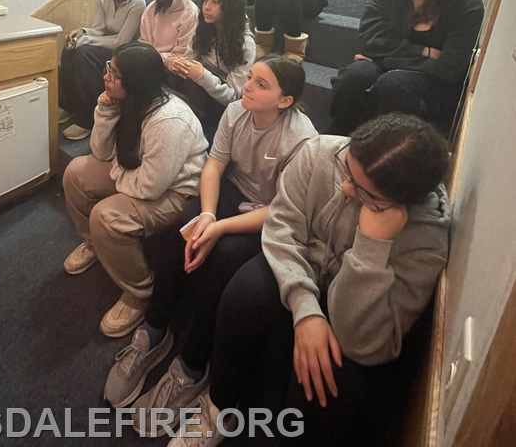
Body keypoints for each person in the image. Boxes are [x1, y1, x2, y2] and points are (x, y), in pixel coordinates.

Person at [169, 114, 451, 447]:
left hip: (353, 309)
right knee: (245, 291)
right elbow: (281, 227)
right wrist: (306, 310)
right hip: (302, 270)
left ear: (401, 204)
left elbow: (363, 341)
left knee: (333, 383)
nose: (345, 188)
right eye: (347, 168)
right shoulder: (320, 153)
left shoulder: (426, 240)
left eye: (365, 194)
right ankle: (218, 405)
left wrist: (371, 248)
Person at [103, 56, 317, 427]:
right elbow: (215, 165)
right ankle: (153, 333)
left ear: (285, 101)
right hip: (236, 191)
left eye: (261, 84)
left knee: (224, 258)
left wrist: (220, 228)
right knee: (180, 230)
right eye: (249, 77)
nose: (247, 86)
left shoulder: (301, 139)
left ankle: (191, 367)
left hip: (273, 214)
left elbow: (283, 209)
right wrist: (206, 215)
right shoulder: (236, 112)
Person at [61, 42, 208, 338]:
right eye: (109, 70)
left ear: (136, 81)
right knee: (76, 173)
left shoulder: (169, 120)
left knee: (106, 216)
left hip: (177, 193)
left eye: (114, 74)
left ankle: (140, 293)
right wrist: (103, 110)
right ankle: (94, 245)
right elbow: (100, 153)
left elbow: (150, 188)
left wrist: (117, 174)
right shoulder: (127, 100)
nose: (106, 78)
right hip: (134, 173)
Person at [327, 0, 483, 137]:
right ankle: (339, 137)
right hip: (410, 67)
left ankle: (382, 148)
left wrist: (384, 60)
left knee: (393, 83)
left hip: (434, 84)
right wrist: (426, 51)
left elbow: (450, 68)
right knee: (356, 75)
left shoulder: (466, 3)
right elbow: (369, 41)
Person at [59, 0, 145, 140]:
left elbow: (122, 41)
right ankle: (67, 106)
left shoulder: (137, 3)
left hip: (126, 50)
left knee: (83, 53)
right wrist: (82, 32)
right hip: (109, 43)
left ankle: (87, 120)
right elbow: (99, 30)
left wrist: (87, 41)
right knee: (70, 47)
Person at [167, 0, 256, 142]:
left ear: (231, 6)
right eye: (206, 0)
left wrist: (202, 75)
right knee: (167, 74)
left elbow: (233, 97)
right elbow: (189, 60)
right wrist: (174, 62)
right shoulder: (204, 27)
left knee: (192, 89)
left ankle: (186, 134)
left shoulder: (246, 44)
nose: (206, 7)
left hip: (220, 102)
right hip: (198, 88)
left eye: (216, 2)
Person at [139, 0, 199, 67]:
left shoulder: (191, 14)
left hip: (174, 67)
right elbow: (144, 42)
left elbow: (184, 56)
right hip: (149, 61)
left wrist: (154, 59)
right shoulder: (151, 9)